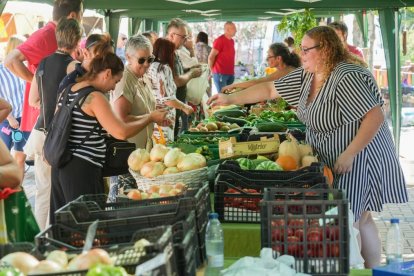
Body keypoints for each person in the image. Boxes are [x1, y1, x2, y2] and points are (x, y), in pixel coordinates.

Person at [208, 26, 408, 268]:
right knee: (360, 219)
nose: (300, 54)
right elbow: (271, 89)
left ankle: (362, 271)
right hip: (333, 156)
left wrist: (350, 153)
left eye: (305, 50)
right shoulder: (308, 74)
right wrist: (229, 99)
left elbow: (374, 116)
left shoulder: (346, 75)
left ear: (324, 49)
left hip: (359, 156)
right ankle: (371, 271)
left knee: (351, 220)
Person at [50, 53, 167, 223]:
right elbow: (121, 132)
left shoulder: (68, 90)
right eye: (115, 81)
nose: (113, 88)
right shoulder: (94, 97)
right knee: (86, 225)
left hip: (61, 166)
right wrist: (150, 118)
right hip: (81, 169)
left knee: (65, 224)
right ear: (106, 74)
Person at [4, 0, 83, 166]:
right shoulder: (46, 34)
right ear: (73, 16)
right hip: (45, 122)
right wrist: (39, 84)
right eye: (81, 15)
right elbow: (11, 60)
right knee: (46, 183)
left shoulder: (58, 36)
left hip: (55, 121)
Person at [27, 18, 82, 230]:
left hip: (41, 133)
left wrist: (49, 104)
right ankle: (59, 237)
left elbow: (33, 100)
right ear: (77, 40)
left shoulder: (43, 62)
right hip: (61, 137)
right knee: (60, 193)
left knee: (43, 192)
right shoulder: (73, 67)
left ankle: (41, 238)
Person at [111, 34, 166, 151]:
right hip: (129, 151)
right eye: (141, 60)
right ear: (128, 57)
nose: (146, 64)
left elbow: (145, 110)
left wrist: (157, 115)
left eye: (150, 59)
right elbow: (122, 119)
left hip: (144, 149)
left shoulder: (143, 76)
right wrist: (151, 117)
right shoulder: (125, 79)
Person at [148, 38, 194, 142]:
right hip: (164, 119)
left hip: (154, 117)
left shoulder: (150, 67)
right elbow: (167, 99)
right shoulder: (163, 68)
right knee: (164, 151)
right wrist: (185, 107)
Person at [165, 18, 202, 137]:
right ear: (172, 35)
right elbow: (176, 81)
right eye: (183, 37)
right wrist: (191, 74)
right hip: (170, 109)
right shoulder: (166, 54)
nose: (186, 41)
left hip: (177, 106)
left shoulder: (174, 52)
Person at [221, 43, 300, 92]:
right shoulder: (284, 69)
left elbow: (257, 82)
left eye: (269, 56)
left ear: (279, 58)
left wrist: (233, 85)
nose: (267, 59)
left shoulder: (286, 71)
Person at [0, 36, 26, 160]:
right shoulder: (1, 71)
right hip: (6, 120)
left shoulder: (23, 69)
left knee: (20, 156)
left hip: (23, 120)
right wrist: (10, 118)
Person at [208, 21, 237, 92]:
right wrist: (213, 71)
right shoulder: (219, 40)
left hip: (230, 73)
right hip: (220, 74)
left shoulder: (232, 41)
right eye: (234, 28)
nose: (236, 30)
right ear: (227, 30)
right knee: (222, 96)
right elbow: (211, 57)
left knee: (228, 95)